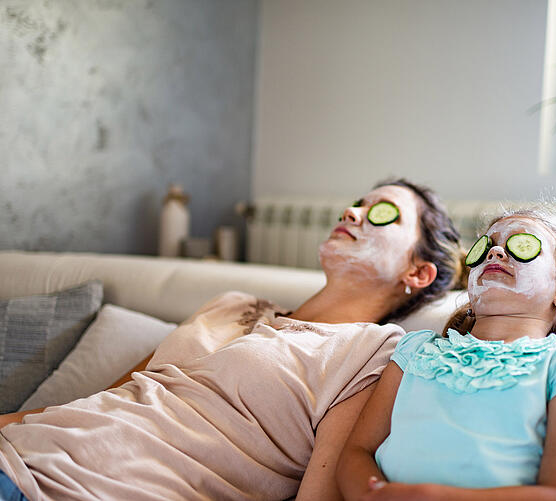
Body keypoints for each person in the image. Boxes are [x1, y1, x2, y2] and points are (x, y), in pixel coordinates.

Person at [0, 179, 463, 501]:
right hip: (23, 451)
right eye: (356, 203)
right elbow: (108, 399)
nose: (351, 212)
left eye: (382, 213)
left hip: (73, 489)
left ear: (416, 272)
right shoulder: (228, 303)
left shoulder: (374, 353)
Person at [337, 203, 556, 501]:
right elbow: (356, 454)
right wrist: (374, 493)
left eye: (522, 246)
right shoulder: (416, 350)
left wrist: (434, 497)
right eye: (486, 247)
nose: (497, 251)